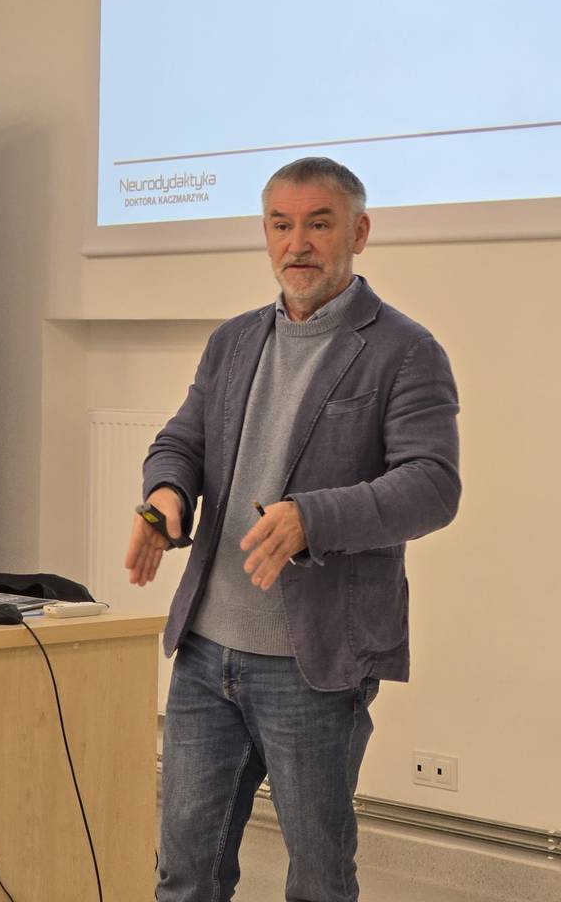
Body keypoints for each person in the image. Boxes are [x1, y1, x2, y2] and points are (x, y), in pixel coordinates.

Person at [124, 157, 461, 902]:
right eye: (281, 225)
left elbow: (433, 486)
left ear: (359, 233)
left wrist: (314, 517)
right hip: (206, 653)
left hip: (313, 663)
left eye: (319, 224)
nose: (297, 244)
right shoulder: (234, 340)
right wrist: (166, 494)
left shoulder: (405, 350)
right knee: (184, 873)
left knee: (317, 878)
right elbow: (183, 440)